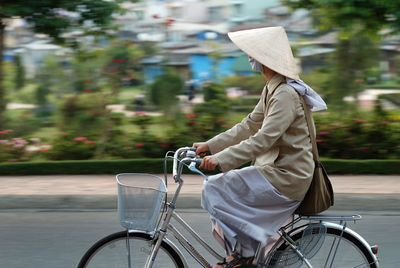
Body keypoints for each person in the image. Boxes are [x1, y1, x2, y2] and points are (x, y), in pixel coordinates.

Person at [193, 26, 327, 268]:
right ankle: (246, 254)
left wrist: (221, 159)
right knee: (217, 190)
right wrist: (210, 146)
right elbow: (249, 125)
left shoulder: (285, 94)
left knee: (214, 189)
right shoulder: (272, 88)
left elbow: (263, 139)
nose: (250, 58)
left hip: (287, 177)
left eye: (253, 54)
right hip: (275, 172)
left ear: (265, 59)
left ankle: (245, 255)